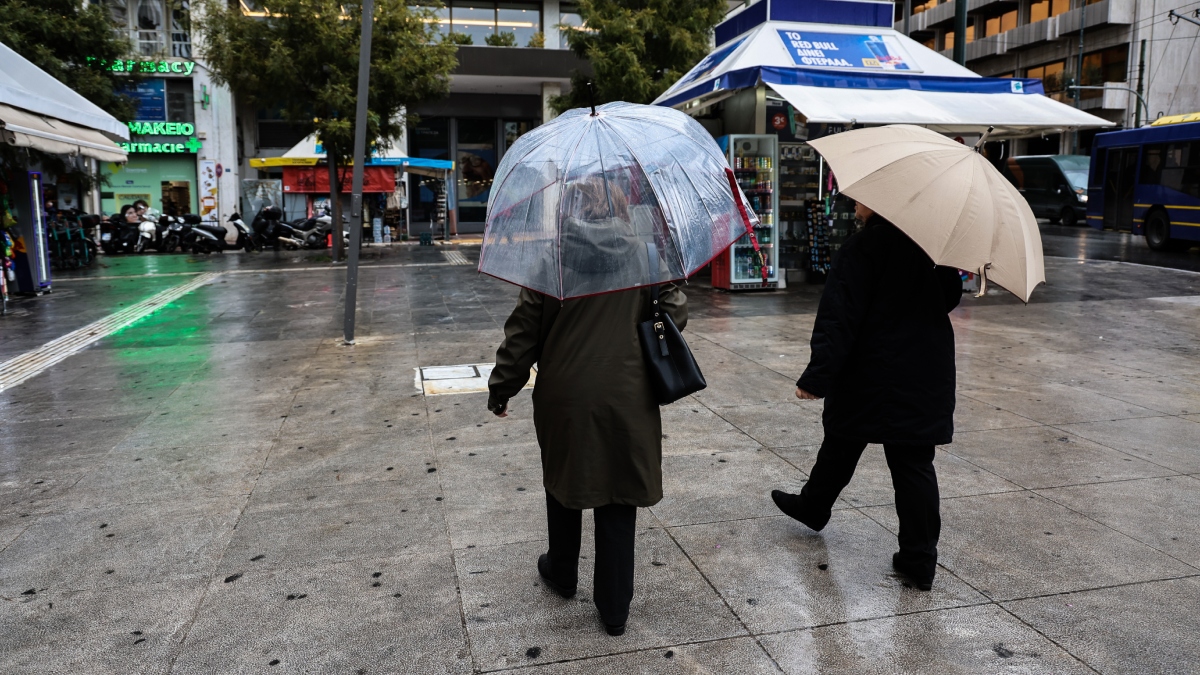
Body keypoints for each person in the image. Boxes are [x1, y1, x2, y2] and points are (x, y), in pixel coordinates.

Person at [487, 178, 686, 636]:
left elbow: (523, 333)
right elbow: (675, 317)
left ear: (569, 209)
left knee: (565, 481)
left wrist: (503, 387)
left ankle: (561, 571)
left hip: (566, 394)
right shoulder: (648, 257)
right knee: (619, 493)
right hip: (628, 392)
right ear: (618, 206)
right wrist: (666, 274)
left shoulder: (551, 261)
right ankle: (614, 608)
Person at [771, 200, 963, 591]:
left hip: (869, 368)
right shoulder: (932, 248)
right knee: (905, 459)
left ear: (878, 202)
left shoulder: (862, 248)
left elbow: (839, 316)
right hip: (923, 369)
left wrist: (816, 377)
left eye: (860, 198)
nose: (854, 203)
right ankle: (917, 559)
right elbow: (949, 297)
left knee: (847, 434)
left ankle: (814, 506)